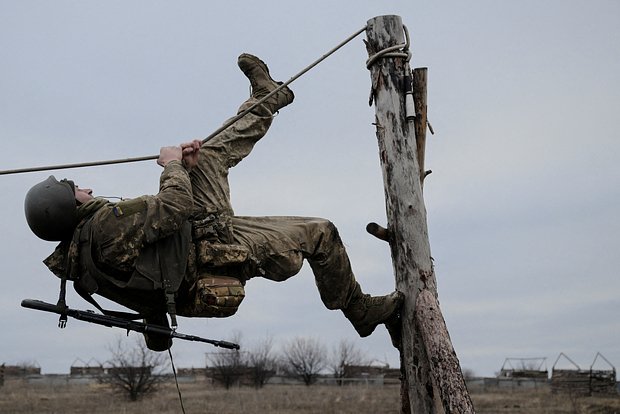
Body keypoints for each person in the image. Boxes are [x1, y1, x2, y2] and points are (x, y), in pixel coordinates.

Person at [24, 54, 403, 351]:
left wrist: (157, 333)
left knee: (204, 157)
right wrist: (173, 166)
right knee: (321, 234)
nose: (86, 188)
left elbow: (146, 298)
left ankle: (266, 98)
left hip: (198, 250)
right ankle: (361, 312)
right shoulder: (104, 226)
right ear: (66, 207)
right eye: (75, 189)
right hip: (212, 248)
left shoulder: (85, 269)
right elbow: (174, 207)